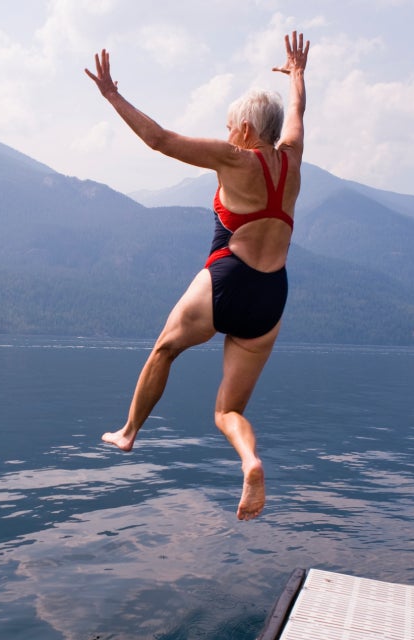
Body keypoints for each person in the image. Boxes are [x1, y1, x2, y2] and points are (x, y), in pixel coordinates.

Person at [85, 31, 309, 521]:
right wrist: (297, 76)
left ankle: (128, 433)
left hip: (227, 279)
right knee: (227, 411)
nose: (227, 134)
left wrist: (112, 96)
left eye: (230, 127)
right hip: (272, 297)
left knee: (165, 348)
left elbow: (159, 140)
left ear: (247, 130)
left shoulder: (235, 158)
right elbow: (297, 113)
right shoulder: (292, 157)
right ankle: (250, 461)